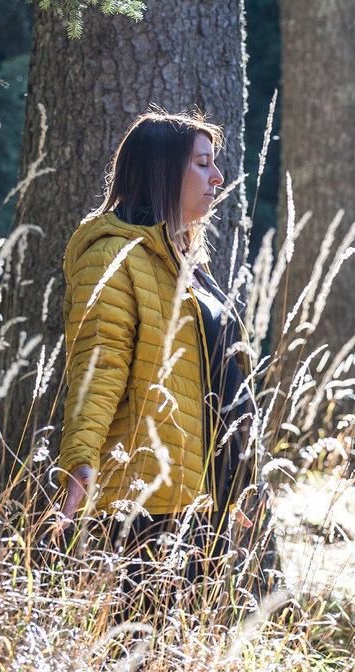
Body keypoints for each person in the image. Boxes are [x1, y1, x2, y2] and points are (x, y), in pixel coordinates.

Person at [56, 110, 265, 610]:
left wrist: (242, 476)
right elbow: (98, 370)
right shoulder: (112, 258)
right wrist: (81, 461)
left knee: (179, 663)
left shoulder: (185, 262)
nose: (218, 178)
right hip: (144, 499)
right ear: (162, 171)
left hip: (200, 498)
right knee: (134, 656)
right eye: (202, 164)